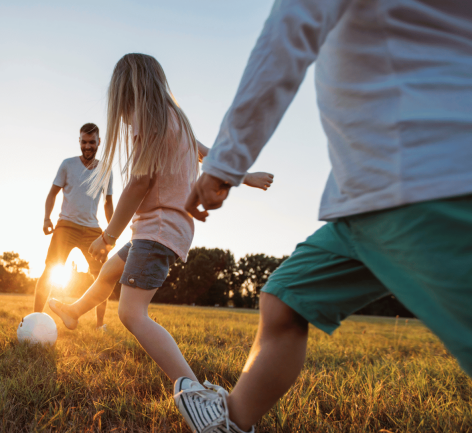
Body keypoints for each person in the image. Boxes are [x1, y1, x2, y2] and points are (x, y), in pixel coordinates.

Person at [179, 0, 472, 432]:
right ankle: (233, 424)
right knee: (286, 298)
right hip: (364, 198)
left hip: (422, 184)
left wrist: (224, 162)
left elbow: (289, 31)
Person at [48, 54, 274, 407]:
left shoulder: (147, 120)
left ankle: (196, 392)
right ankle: (74, 312)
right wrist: (246, 176)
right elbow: (207, 155)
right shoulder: (175, 119)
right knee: (110, 272)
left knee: (131, 313)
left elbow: (139, 184)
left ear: (127, 92)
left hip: (159, 228)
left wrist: (108, 235)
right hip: (159, 228)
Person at [34, 123, 115, 330]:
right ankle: (36, 319)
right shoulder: (67, 165)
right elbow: (52, 194)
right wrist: (46, 218)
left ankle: (99, 325)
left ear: (99, 143)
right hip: (66, 226)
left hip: (93, 230)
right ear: (79, 142)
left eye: (92, 142)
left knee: (103, 276)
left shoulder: (106, 170)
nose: (88, 146)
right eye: (84, 142)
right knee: (50, 270)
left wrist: (112, 232)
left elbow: (108, 203)